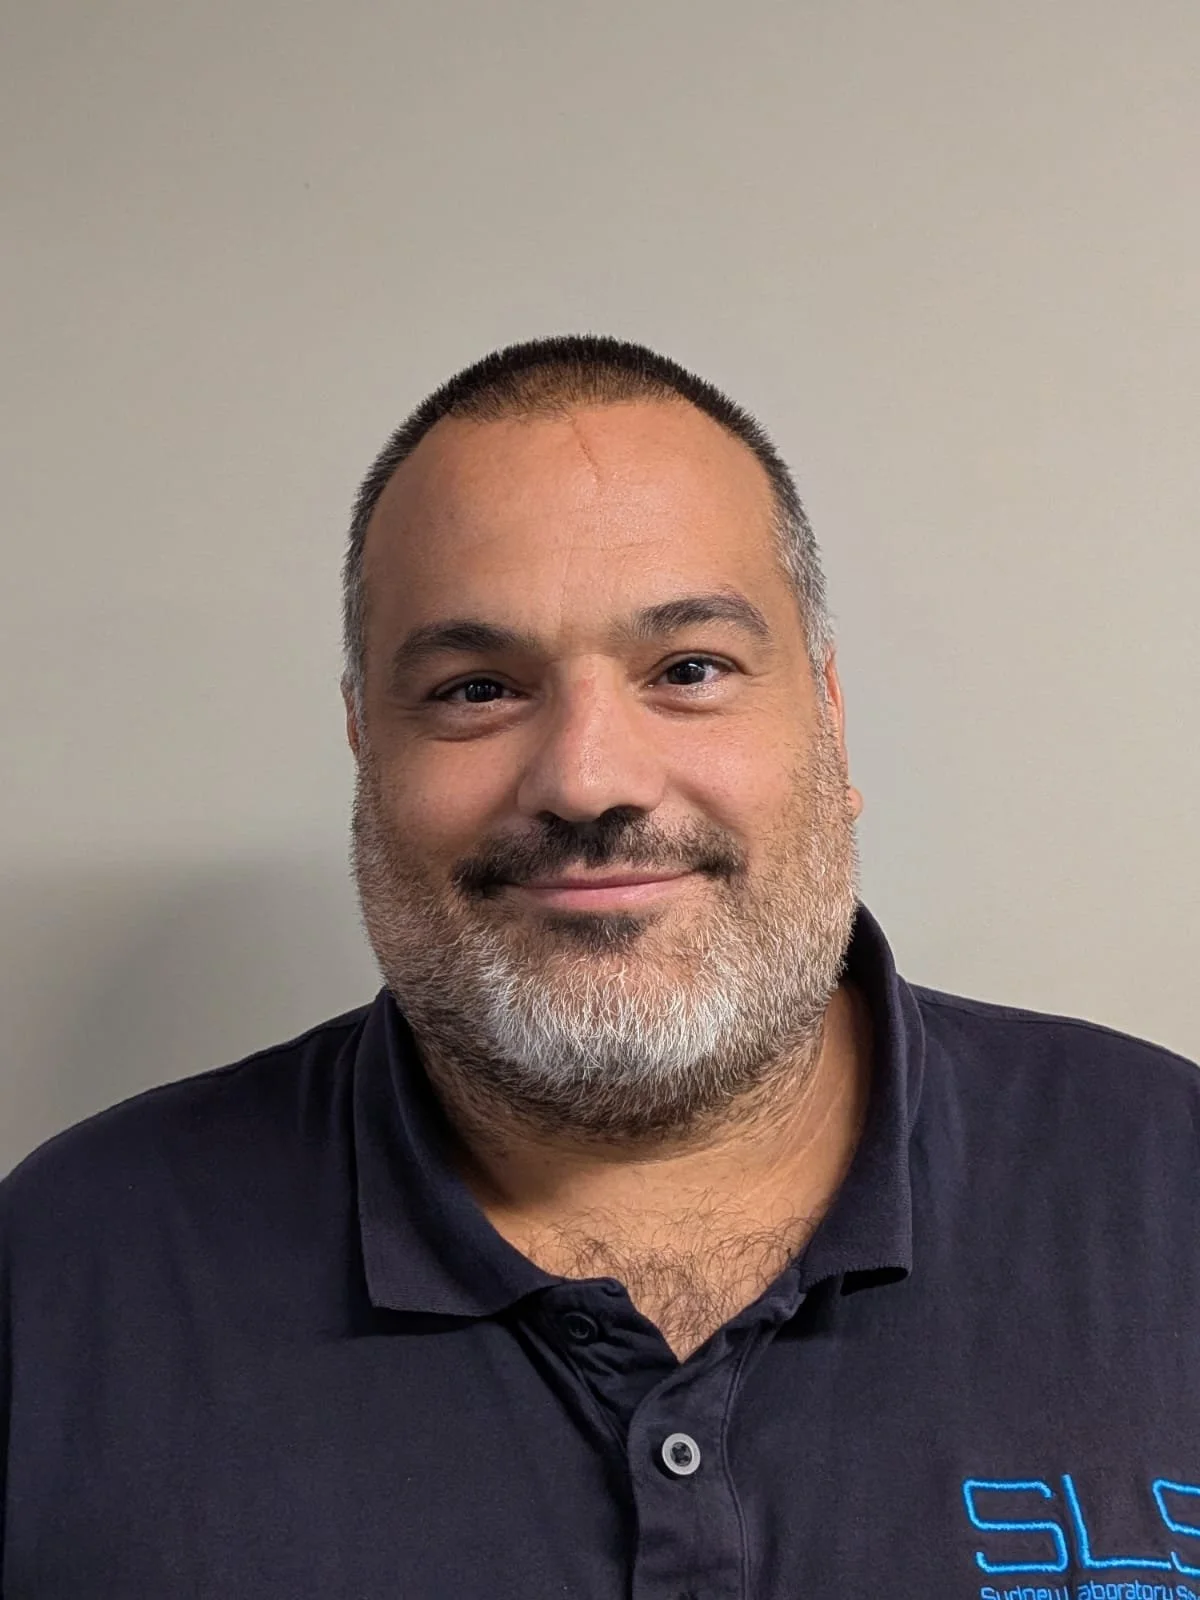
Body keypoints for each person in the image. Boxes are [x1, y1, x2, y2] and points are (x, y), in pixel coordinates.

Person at [2, 335, 1198, 1599]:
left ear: (829, 716)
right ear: (365, 745)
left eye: (689, 670)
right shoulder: (67, 1275)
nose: (587, 780)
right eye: (476, 689)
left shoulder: (1169, 1182)